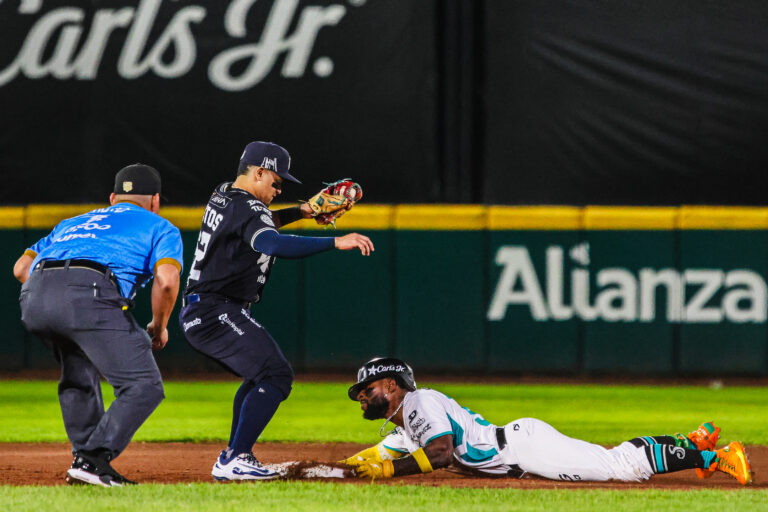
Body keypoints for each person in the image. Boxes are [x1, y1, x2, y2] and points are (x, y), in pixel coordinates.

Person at [180, 141, 374, 481]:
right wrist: (335, 241)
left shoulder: (224, 193)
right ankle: (236, 457)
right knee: (276, 375)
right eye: (277, 181)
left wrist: (303, 211)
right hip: (215, 310)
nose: (279, 189)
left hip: (208, 307)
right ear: (259, 172)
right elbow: (269, 241)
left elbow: (257, 222)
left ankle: (233, 456)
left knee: (261, 375)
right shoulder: (248, 207)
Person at [13, 164, 183, 487]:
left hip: (35, 297)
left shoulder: (73, 222)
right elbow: (166, 281)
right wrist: (159, 325)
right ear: (155, 201)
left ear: (113, 198)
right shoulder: (160, 226)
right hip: (90, 290)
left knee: (78, 372)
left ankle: (85, 463)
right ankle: (92, 460)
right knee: (143, 384)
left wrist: (54, 292)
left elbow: (21, 268)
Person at [341, 357, 754, 485]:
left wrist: (389, 471)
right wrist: (341, 471)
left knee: (620, 467)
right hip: (521, 445)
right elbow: (377, 455)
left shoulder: (420, 402)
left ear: (391, 385)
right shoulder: (408, 423)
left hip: (524, 448)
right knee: (611, 459)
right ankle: (691, 442)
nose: (361, 398)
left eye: (366, 390)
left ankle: (715, 457)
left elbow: (441, 454)